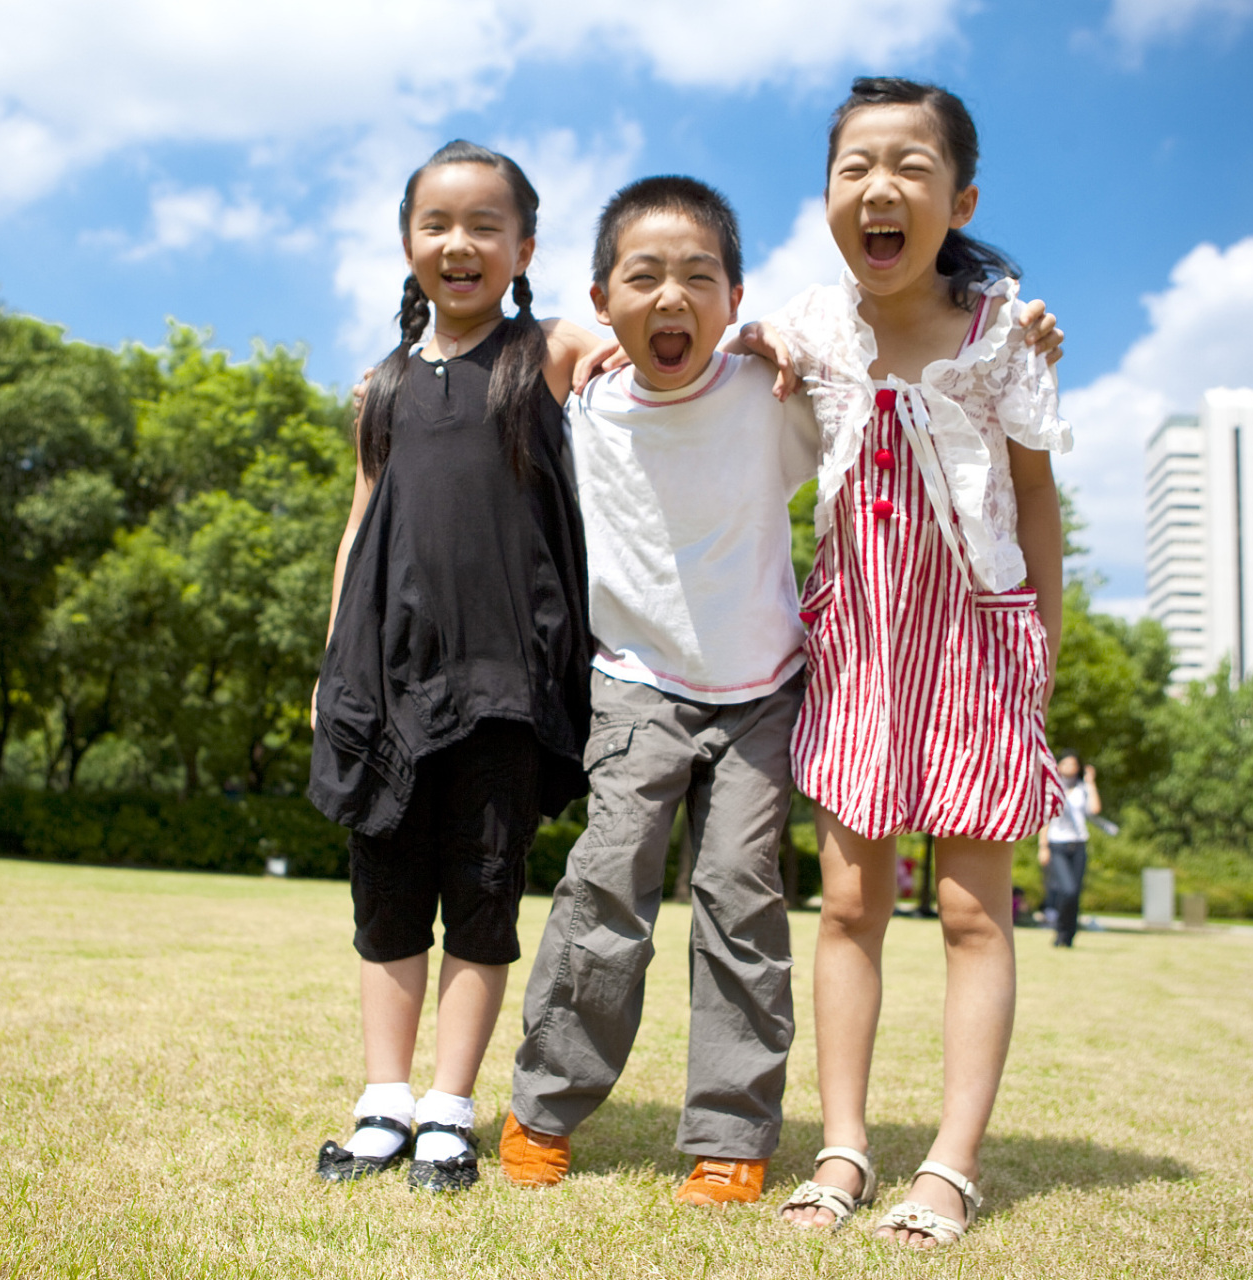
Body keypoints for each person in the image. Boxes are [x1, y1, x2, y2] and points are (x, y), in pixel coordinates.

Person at [742, 78, 1072, 1248]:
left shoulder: (1005, 338)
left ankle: (949, 1164)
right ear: (828, 193)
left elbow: (1036, 500)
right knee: (846, 905)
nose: (878, 187)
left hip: (976, 645)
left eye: (909, 166)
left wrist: (1039, 656)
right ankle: (840, 1147)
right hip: (856, 642)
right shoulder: (807, 327)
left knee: (974, 915)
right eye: (854, 166)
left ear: (959, 200)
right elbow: (715, 349)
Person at [499, 177, 819, 1207]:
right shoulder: (582, 408)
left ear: (734, 298)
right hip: (634, 684)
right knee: (604, 888)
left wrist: (791, 342)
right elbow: (487, 350)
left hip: (761, 690)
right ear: (602, 299)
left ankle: (730, 1132)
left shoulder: (771, 394)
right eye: (643, 277)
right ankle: (543, 1108)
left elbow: (875, 379)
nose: (671, 296)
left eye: (698, 276)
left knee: (739, 896)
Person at [306, 139, 606, 1194]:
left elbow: (663, 341)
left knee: (482, 895)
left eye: (486, 224)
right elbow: (358, 526)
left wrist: (751, 338)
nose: (459, 242)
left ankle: (446, 1107)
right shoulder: (380, 387)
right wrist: (330, 662)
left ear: (524, 246)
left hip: (504, 684)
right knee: (385, 895)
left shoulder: (550, 351)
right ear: (407, 245)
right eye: (436, 223)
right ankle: (383, 1099)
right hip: (384, 678)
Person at [1039, 752, 1100, 947]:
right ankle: (1060, 929)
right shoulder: (1053, 787)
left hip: (1078, 845)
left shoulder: (1083, 789)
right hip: (1057, 844)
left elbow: (1095, 810)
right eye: (1065, 763)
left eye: (1073, 764)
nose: (1070, 767)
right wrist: (1043, 846)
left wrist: (1091, 783)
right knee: (1067, 890)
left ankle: (1068, 936)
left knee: (1075, 893)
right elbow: (1046, 818)